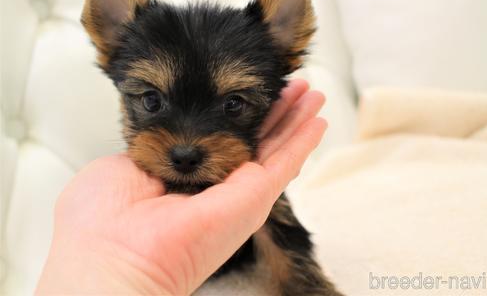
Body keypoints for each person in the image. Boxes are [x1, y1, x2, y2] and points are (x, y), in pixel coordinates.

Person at [36, 79, 327, 295]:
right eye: (151, 101)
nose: (186, 146)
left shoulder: (253, 178)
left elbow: (289, 247)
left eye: (233, 105)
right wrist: (116, 262)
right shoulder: (119, 191)